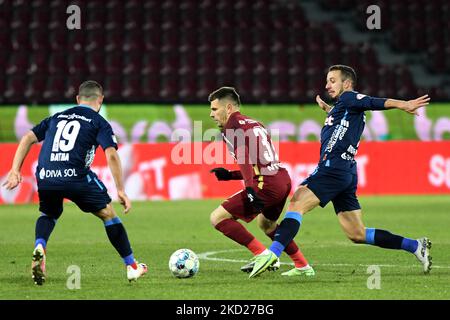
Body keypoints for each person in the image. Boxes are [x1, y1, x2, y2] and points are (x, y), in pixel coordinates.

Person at [249, 65, 432, 278]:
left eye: (332, 80)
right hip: (346, 171)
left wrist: (404, 104)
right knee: (357, 233)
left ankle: (273, 253)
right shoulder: (346, 108)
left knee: (297, 202)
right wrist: (329, 110)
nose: (327, 85)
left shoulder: (349, 98)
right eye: (327, 81)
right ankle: (414, 245)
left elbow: (373, 101)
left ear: (346, 84)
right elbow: (345, 121)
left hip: (333, 167)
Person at [2, 80, 147, 285]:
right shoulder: (98, 121)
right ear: (101, 100)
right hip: (76, 176)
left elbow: (27, 138)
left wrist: (15, 170)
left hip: (46, 176)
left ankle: (40, 245)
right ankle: (132, 267)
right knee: (108, 214)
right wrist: (121, 189)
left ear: (78, 99)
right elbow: (112, 154)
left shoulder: (56, 117)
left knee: (49, 213)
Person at [208, 86, 314, 277]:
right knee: (267, 224)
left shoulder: (231, 126)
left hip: (266, 185)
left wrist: (249, 188)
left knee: (217, 218)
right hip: (281, 179)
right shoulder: (256, 123)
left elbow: (244, 159)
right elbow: (260, 163)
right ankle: (302, 266)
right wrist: (230, 175)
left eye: (215, 109)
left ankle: (263, 255)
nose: (211, 114)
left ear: (229, 108)